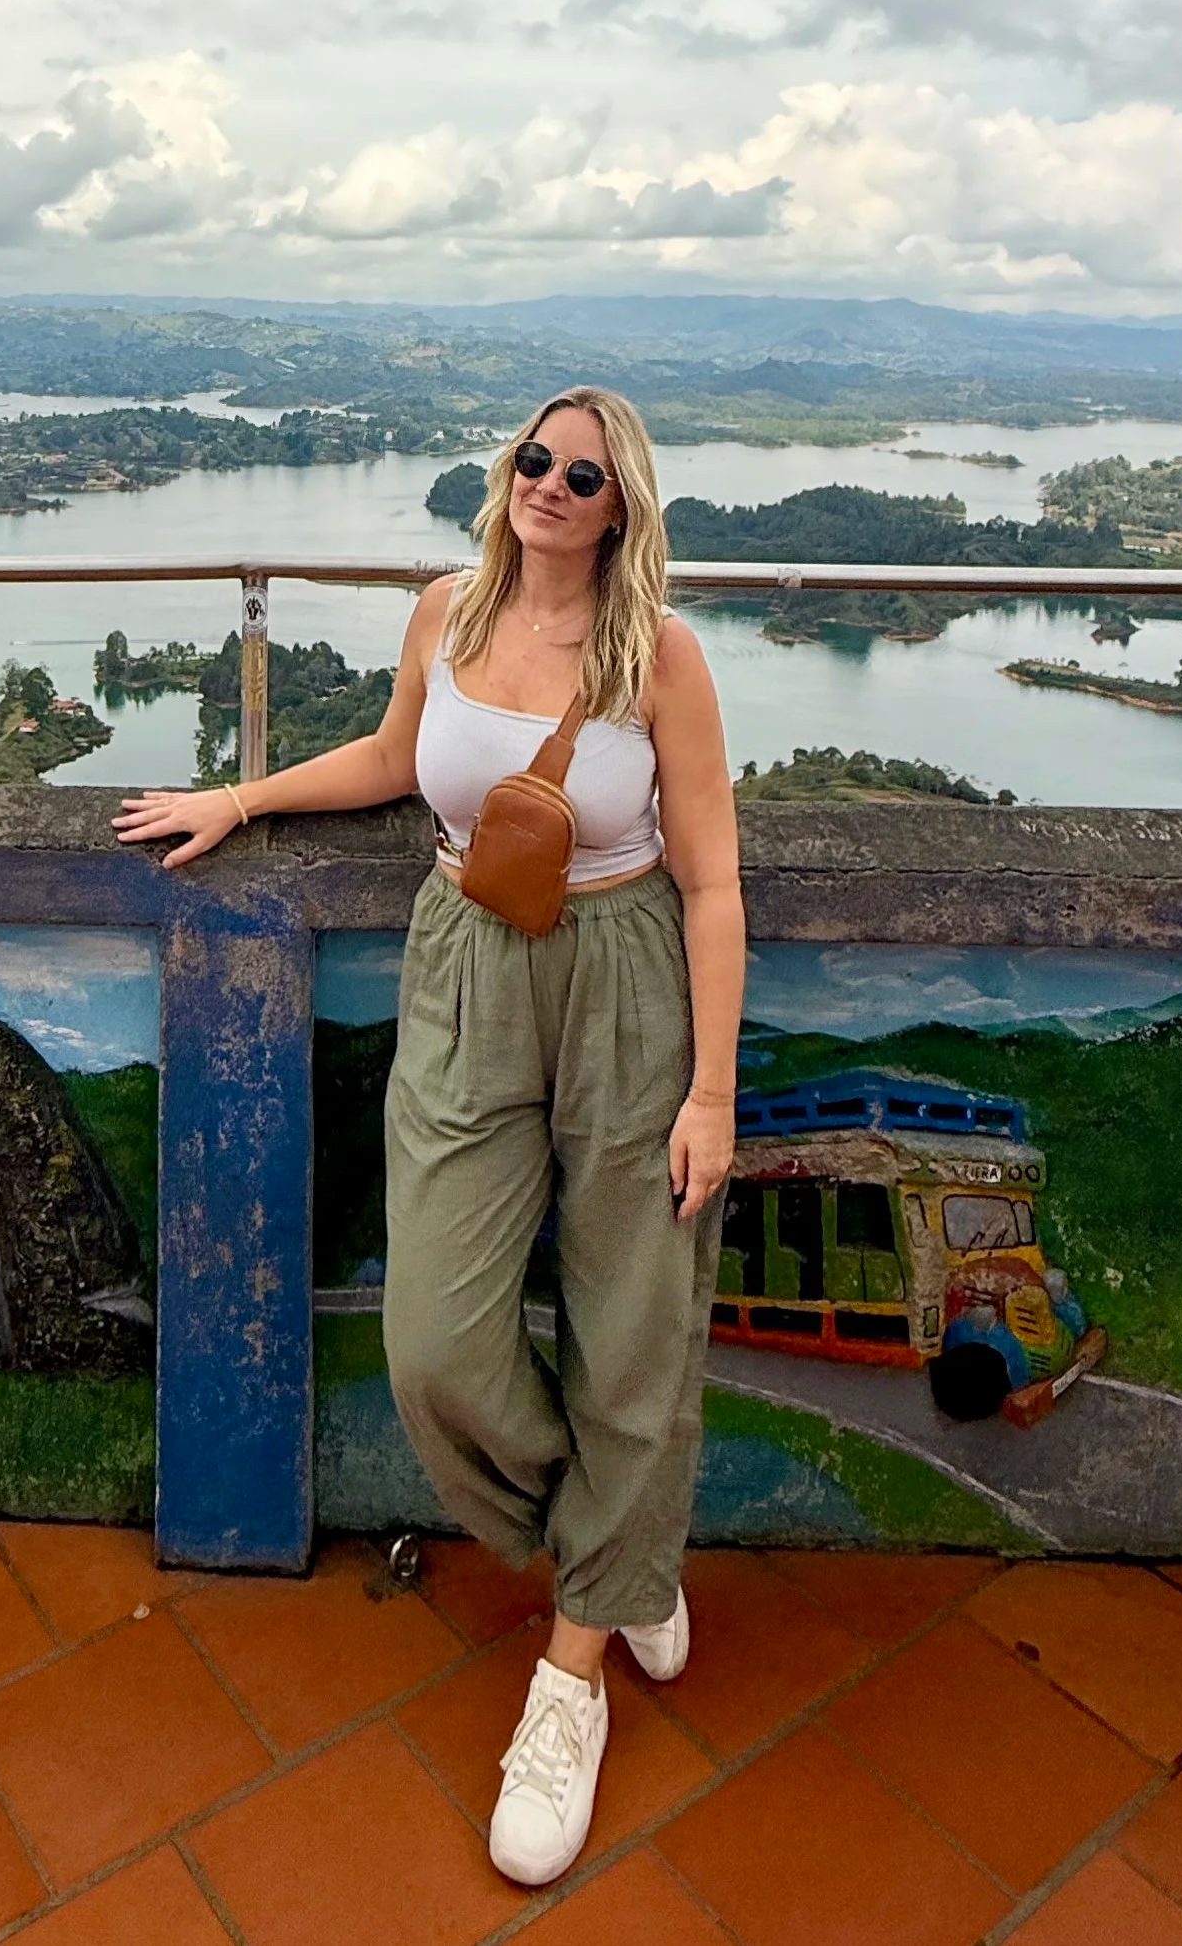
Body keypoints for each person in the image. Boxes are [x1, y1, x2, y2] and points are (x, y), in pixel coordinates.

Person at [113, 384, 743, 1887]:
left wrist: (708, 1091)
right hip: (466, 961)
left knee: (635, 1321)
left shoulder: (658, 655)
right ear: (505, 471)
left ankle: (575, 1660)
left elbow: (713, 879)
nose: (547, 483)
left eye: (581, 473)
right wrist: (244, 794)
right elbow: (399, 760)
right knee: (438, 1341)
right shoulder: (446, 613)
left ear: (619, 505)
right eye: (532, 457)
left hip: (625, 977)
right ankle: (621, 1541)